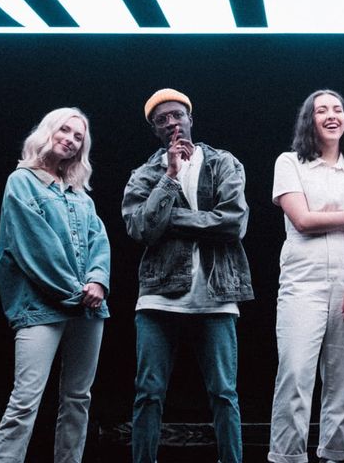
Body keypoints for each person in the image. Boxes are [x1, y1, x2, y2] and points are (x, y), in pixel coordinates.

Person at [122, 88, 254, 463]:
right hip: (158, 297)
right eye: (161, 120)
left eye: (177, 115)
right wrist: (169, 177)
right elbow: (140, 228)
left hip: (216, 295)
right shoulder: (145, 174)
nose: (171, 123)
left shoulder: (223, 162)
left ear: (190, 119)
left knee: (224, 393)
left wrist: (171, 220)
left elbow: (234, 223)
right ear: (155, 130)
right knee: (148, 393)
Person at [0, 107, 111, 463]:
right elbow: (34, 247)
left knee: (78, 398)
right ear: (48, 131)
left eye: (79, 137)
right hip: (41, 307)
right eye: (65, 130)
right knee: (26, 400)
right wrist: (79, 291)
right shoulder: (22, 181)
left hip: (88, 308)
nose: (71, 140)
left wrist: (98, 281)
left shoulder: (81, 195)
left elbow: (99, 241)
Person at [269, 90, 344, 463]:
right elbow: (302, 220)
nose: (331, 116)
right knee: (295, 374)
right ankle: (287, 457)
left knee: (343, 381)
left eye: (337, 110)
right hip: (303, 283)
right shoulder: (289, 163)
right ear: (310, 120)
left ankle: (336, 454)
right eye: (321, 111)